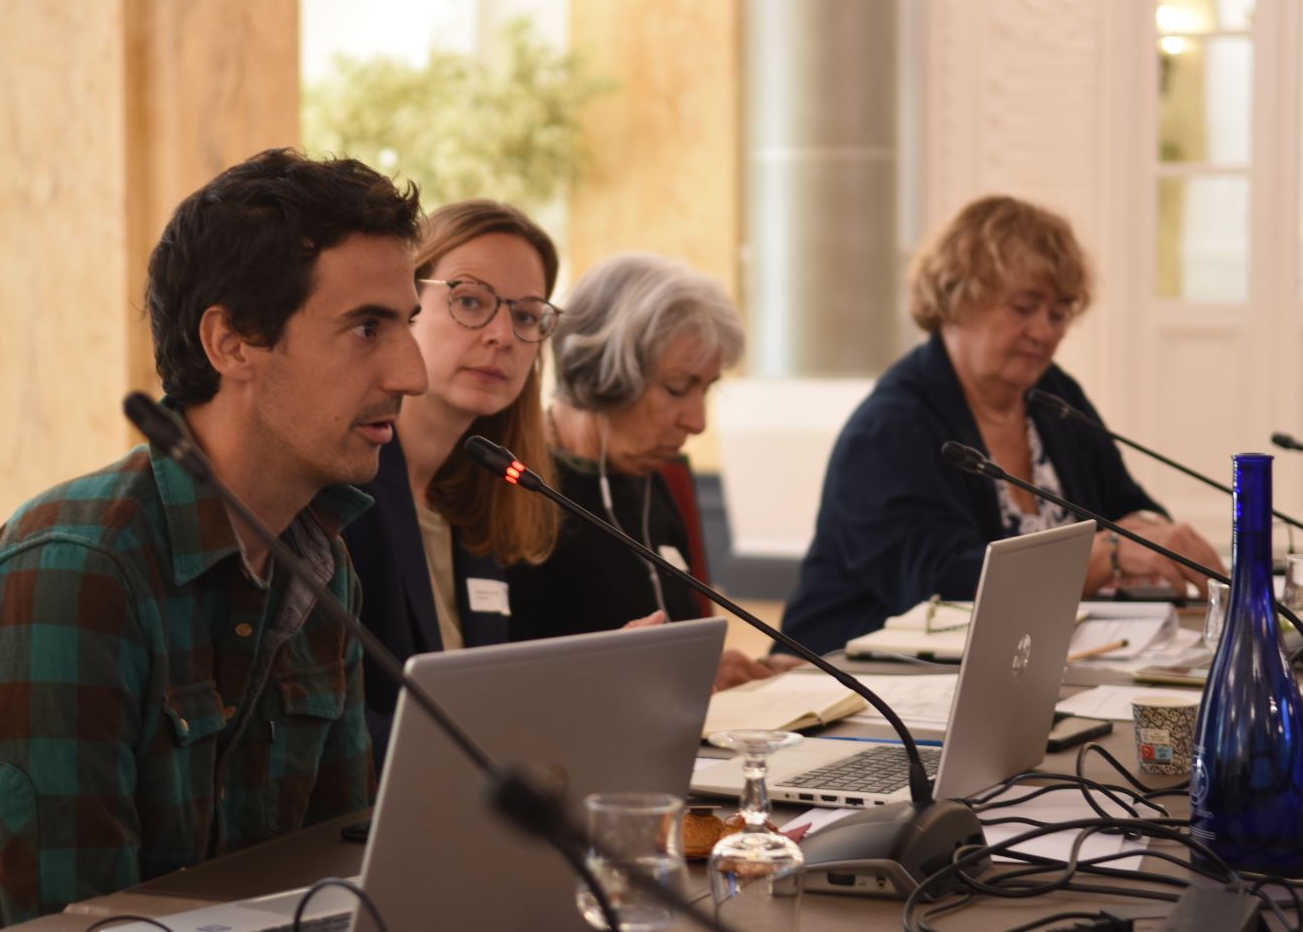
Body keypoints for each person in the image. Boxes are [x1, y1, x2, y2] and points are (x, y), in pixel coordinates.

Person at [0, 149, 428, 930]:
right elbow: (74, 924)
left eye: (407, 325)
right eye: (366, 328)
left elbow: (337, 886)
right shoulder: (74, 573)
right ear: (232, 342)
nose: (413, 373)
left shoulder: (321, 561)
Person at [778, 195, 1222, 655]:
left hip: (1021, 666)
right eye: (1023, 308)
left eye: (1058, 314)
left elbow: (1126, 505)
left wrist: (1147, 534)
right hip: (850, 675)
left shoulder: (1052, 397)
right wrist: (1105, 556)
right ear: (956, 300)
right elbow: (940, 590)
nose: (1043, 332)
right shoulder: (889, 429)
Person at [341, 199, 562, 762]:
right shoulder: (341, 495)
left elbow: (484, 709)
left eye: (527, 316)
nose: (502, 335)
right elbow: (335, 735)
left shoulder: (478, 492)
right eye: (469, 301)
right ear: (404, 306)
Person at [506, 252, 785, 690]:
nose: (697, 422)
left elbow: (684, 654)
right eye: (677, 389)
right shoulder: (518, 491)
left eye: (707, 389)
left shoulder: (651, 479)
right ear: (603, 374)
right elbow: (511, 687)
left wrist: (735, 676)